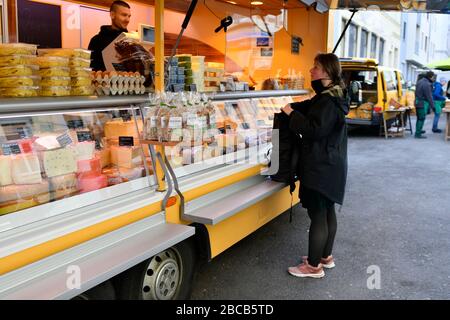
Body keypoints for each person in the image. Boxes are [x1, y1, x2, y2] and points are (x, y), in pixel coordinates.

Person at [281, 53, 349, 278]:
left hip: (321, 166)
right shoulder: (333, 96)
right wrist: (293, 106)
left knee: (319, 214)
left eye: (316, 67)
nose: (311, 70)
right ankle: (324, 257)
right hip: (331, 165)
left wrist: (291, 114)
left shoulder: (328, 101)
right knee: (328, 211)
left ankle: (312, 267)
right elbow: (310, 107)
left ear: (327, 73)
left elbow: (313, 129)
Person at [88, 1, 131, 71]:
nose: (127, 20)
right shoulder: (96, 40)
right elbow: (91, 69)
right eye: (124, 15)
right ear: (112, 15)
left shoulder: (130, 41)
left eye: (129, 16)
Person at [414, 71, 435, 139]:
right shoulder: (427, 84)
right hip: (422, 103)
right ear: (430, 76)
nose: (433, 78)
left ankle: (419, 130)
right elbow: (429, 96)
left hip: (417, 101)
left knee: (419, 117)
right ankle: (418, 134)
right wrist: (433, 106)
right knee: (421, 118)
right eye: (433, 77)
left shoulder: (420, 81)